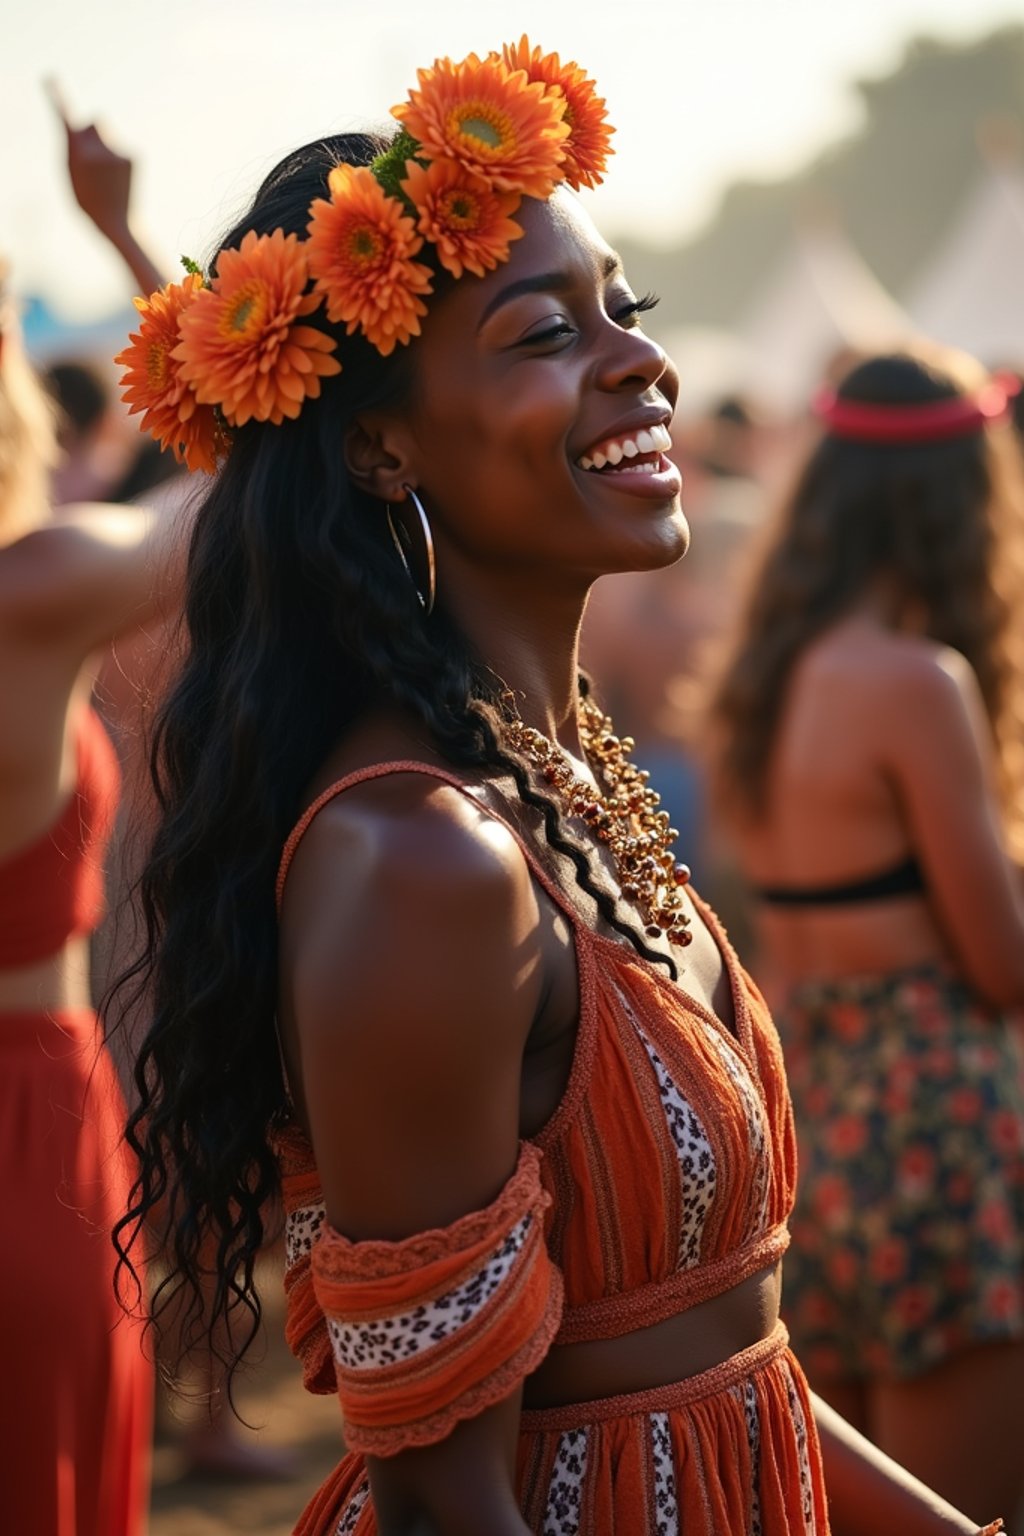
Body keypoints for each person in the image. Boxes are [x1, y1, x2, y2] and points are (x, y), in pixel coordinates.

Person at [110, 40, 1005, 1535]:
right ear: (383, 443)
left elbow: (731, 1366)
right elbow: (447, 1496)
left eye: (625, 312)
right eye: (542, 335)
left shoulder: (567, 776)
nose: (641, 360)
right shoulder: (419, 859)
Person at [708, 343, 1024, 1523]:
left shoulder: (765, 673)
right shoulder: (916, 681)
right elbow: (1000, 963)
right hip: (936, 1109)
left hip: (814, 1112)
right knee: (962, 1512)